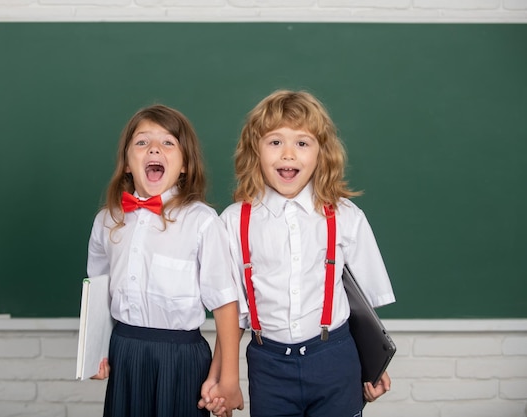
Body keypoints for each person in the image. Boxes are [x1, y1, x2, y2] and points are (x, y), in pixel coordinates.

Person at [219, 90, 396, 417]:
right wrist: (223, 378)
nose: (288, 154)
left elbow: (363, 307)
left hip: (335, 358)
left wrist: (373, 365)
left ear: (322, 153)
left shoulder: (346, 216)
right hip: (267, 364)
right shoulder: (233, 222)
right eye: (275, 142)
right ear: (254, 151)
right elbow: (230, 310)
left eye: (302, 143)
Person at [86, 104, 244, 417]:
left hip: (181, 356)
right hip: (125, 349)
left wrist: (230, 379)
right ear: (128, 164)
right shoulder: (107, 221)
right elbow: (98, 292)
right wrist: (94, 353)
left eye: (168, 143)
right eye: (142, 142)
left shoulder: (202, 222)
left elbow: (225, 303)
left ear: (185, 165)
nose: (154, 148)